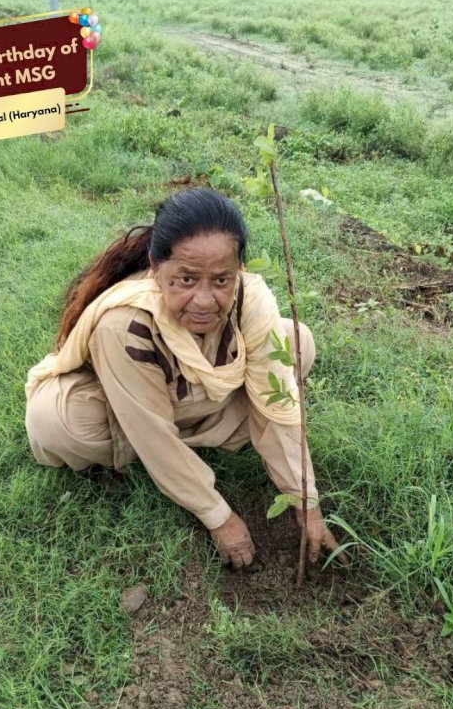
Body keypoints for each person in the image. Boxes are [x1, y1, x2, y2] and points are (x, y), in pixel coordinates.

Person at [24, 188, 349, 572]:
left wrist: (306, 501)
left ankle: (184, 451)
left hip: (196, 405)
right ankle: (171, 462)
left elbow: (274, 404)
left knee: (296, 343)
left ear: (238, 271)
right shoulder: (126, 323)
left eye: (221, 280)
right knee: (60, 424)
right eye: (186, 279)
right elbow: (151, 429)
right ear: (155, 266)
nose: (204, 300)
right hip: (132, 414)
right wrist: (218, 517)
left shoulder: (251, 300)